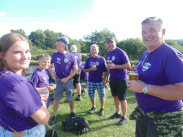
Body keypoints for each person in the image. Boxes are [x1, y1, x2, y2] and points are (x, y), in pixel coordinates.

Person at [128, 17, 183, 137]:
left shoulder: (171, 55)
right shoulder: (146, 53)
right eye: (143, 32)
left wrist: (144, 87)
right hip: (144, 115)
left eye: (152, 30)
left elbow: (181, 92)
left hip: (165, 119)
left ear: (163, 32)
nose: (147, 35)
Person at [0, 33, 50, 137]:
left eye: (27, 51)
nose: (25, 57)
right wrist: (42, 103)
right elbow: (43, 118)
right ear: (2, 55)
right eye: (17, 52)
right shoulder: (17, 83)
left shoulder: (3, 77)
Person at [49, 36, 78, 125]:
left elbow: (76, 69)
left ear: (63, 46)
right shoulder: (54, 55)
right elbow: (48, 65)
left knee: (71, 98)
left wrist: (67, 78)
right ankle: (54, 116)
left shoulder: (71, 56)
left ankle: (72, 112)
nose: (56, 46)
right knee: (56, 98)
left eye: (57, 45)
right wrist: (52, 73)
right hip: (58, 81)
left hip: (68, 81)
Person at [106, 37, 131, 125]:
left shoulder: (121, 52)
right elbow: (109, 66)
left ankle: (124, 117)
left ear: (115, 42)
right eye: (108, 43)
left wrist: (115, 66)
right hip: (113, 79)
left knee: (122, 99)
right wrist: (108, 77)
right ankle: (118, 113)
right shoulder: (108, 53)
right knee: (115, 97)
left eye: (111, 42)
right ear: (107, 45)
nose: (110, 44)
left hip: (121, 79)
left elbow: (128, 65)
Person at [84, 44, 107, 116]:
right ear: (90, 51)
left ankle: (102, 108)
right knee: (91, 95)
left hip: (100, 80)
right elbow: (84, 70)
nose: (94, 51)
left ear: (98, 50)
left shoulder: (102, 59)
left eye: (95, 49)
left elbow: (105, 70)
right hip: (90, 80)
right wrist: (90, 69)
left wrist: (104, 79)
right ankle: (94, 107)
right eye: (93, 50)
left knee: (101, 95)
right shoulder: (88, 59)